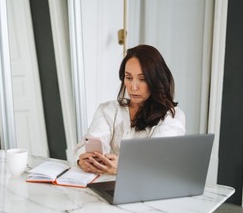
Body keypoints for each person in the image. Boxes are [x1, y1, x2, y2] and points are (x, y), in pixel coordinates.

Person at [75, 44, 186, 175]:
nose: (133, 87)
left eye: (142, 79)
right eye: (128, 78)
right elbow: (87, 146)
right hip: (103, 184)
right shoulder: (108, 110)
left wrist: (122, 168)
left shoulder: (171, 117)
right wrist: (83, 160)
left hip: (146, 191)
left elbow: (157, 162)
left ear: (155, 80)